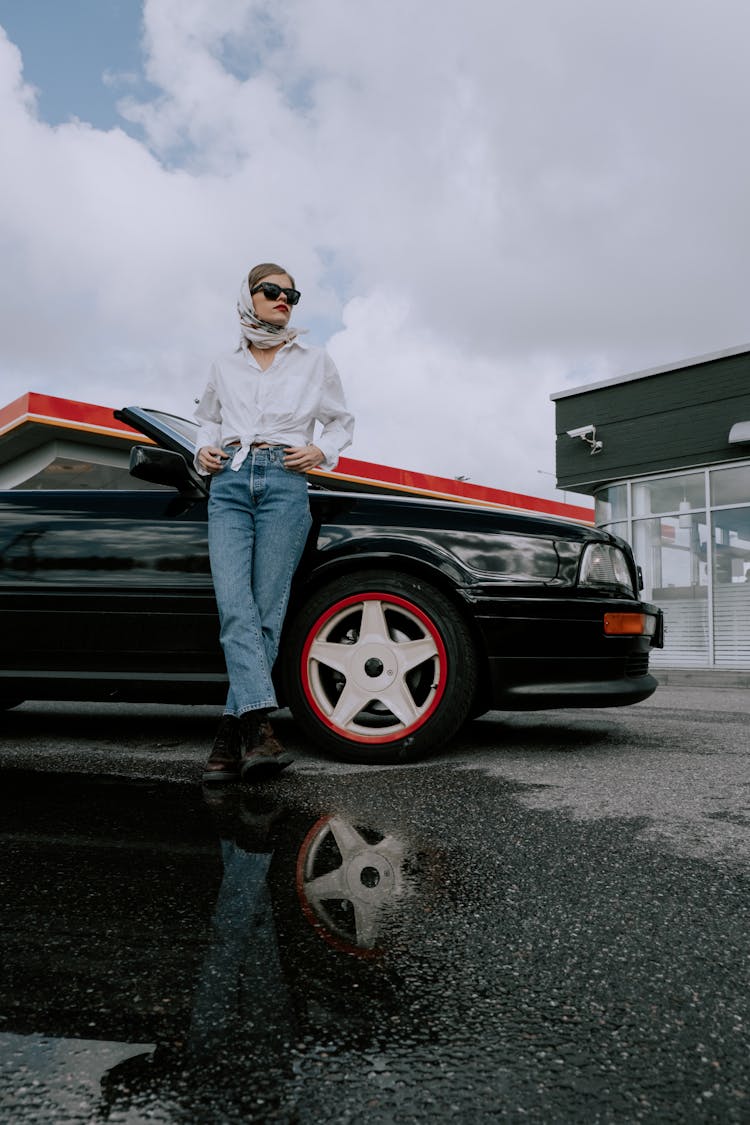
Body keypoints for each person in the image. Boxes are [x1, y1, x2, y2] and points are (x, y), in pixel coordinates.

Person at [194, 262, 354, 784]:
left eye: (292, 294)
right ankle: (258, 730)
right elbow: (208, 418)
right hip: (232, 484)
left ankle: (230, 737)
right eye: (272, 291)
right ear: (248, 297)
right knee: (235, 608)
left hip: (285, 483)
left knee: (266, 610)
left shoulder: (314, 361)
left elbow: (340, 421)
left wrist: (320, 450)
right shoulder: (224, 363)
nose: (283, 299)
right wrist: (204, 450)